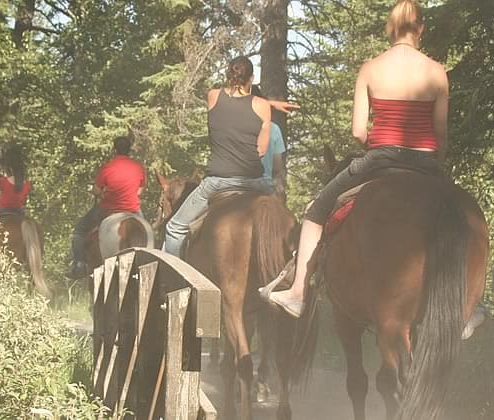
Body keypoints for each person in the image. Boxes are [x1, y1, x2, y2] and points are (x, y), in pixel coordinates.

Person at [268, 0, 449, 317]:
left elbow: (357, 131)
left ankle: (297, 292)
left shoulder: (371, 69)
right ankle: (467, 302)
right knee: (457, 219)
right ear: (420, 28)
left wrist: (379, 145)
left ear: (391, 28)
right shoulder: (436, 72)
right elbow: (441, 134)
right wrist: (435, 163)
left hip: (380, 159)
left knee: (315, 212)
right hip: (424, 162)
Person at [161, 56, 297, 256]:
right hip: (256, 182)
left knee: (175, 228)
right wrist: (272, 105)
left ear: (228, 75)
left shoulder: (213, 96)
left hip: (217, 182)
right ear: (251, 78)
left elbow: (236, 98)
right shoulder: (262, 106)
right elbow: (261, 149)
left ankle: (171, 282)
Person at [67, 136, 146, 277]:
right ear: (129, 150)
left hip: (109, 208)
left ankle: (79, 265)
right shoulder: (138, 167)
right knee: (147, 230)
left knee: (79, 230)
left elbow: (97, 190)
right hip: (133, 209)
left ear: (114, 150)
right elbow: (139, 191)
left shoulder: (108, 167)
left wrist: (100, 192)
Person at [0, 147, 32, 230]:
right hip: (18, 212)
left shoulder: (3, 181)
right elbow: (24, 200)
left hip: (1, 210)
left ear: (10, 168)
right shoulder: (27, 184)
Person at [252, 85, 288, 199]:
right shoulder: (274, 128)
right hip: (264, 187)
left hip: (237, 186)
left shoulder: (233, 127)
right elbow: (277, 167)